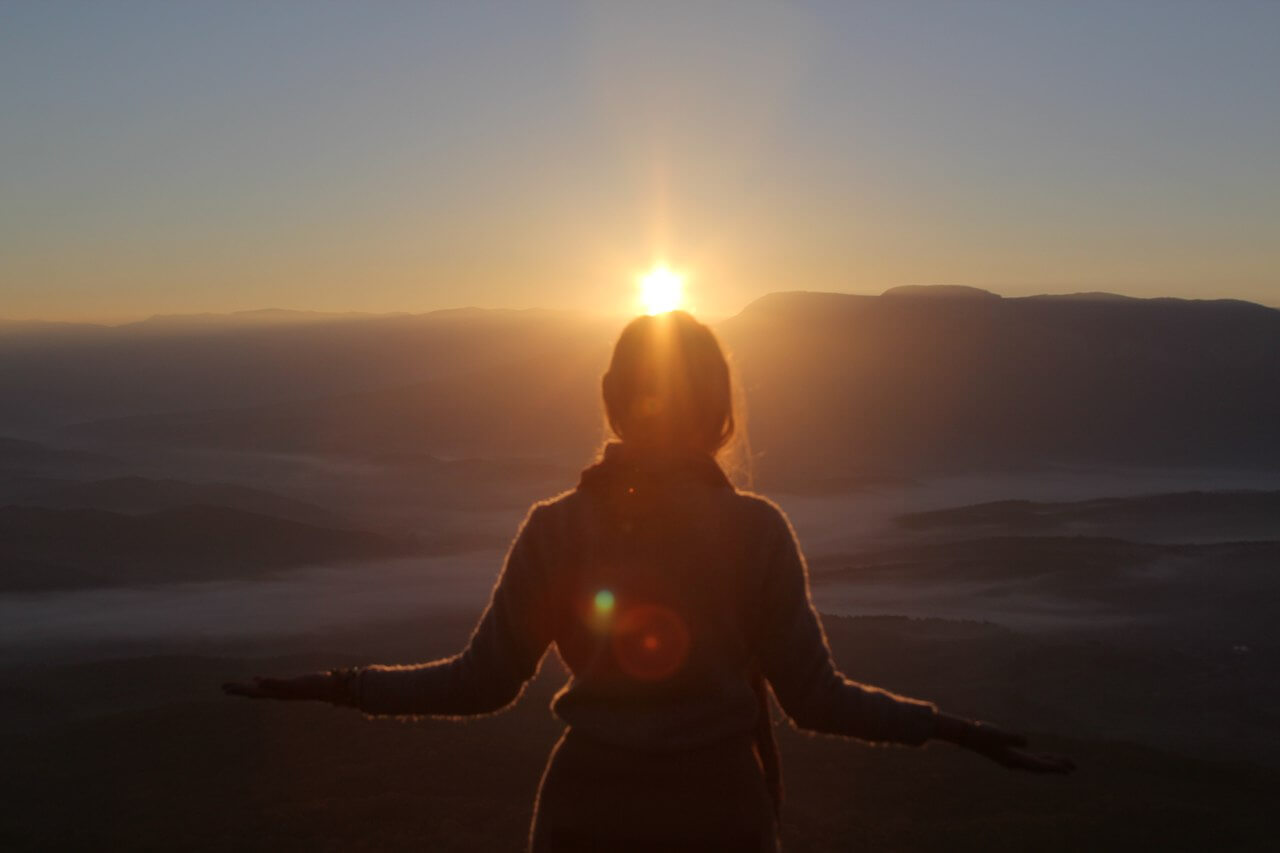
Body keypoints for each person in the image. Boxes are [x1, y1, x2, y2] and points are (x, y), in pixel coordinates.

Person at [224, 311, 1073, 851]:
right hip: (722, 820)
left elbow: (479, 682)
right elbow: (818, 701)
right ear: (722, 411)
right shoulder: (755, 532)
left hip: (584, 817)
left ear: (608, 397)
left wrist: (344, 687)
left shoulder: (557, 528)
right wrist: (950, 728)